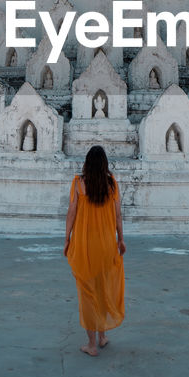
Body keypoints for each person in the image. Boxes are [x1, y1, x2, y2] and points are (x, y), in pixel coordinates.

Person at [64, 145, 125, 356]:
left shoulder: (78, 183)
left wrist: (67, 239)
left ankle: (91, 344)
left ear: (87, 163)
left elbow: (71, 213)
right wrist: (121, 239)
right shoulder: (111, 184)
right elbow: (118, 215)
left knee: (87, 292)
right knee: (102, 288)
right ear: (105, 165)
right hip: (106, 244)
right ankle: (102, 336)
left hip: (84, 245)